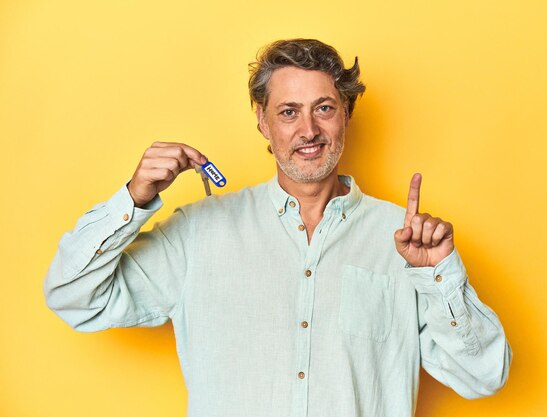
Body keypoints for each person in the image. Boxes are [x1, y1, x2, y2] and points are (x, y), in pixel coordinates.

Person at [44, 39, 512, 417]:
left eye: (324, 108)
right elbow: (72, 296)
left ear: (346, 115)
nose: (307, 129)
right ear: (263, 124)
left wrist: (438, 277)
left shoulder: (405, 240)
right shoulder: (199, 232)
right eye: (288, 111)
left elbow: (484, 375)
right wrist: (133, 198)